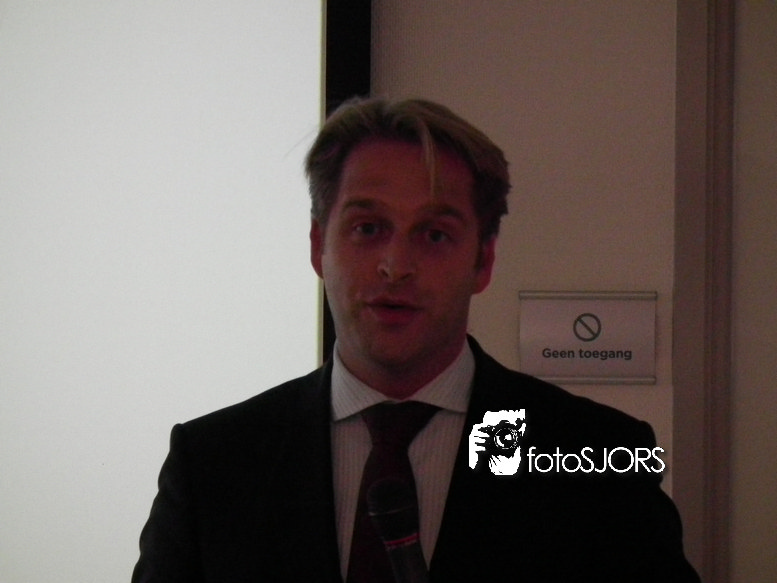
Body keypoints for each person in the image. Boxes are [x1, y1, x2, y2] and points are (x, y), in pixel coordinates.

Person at [132, 98, 700, 582]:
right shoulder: (213, 465)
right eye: (368, 228)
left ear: (483, 261)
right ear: (318, 247)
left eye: (433, 234)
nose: (396, 265)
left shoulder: (597, 457)